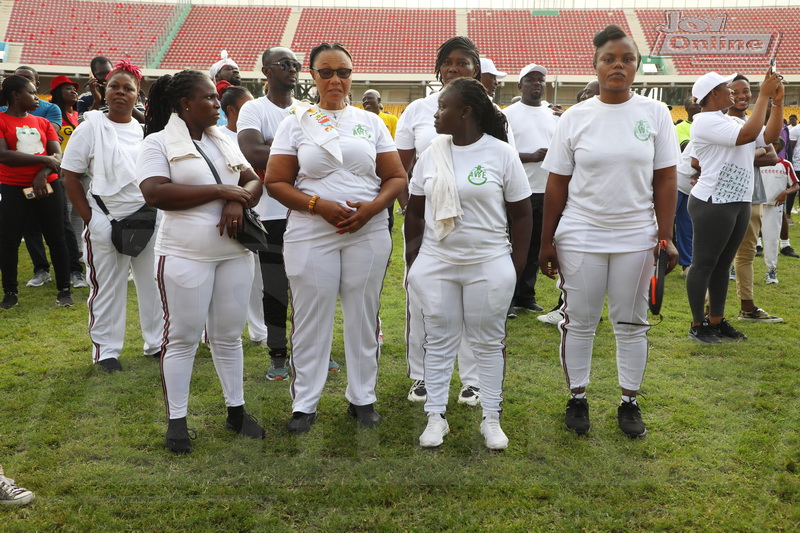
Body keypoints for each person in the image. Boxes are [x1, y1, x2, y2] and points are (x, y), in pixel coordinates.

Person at [539, 25, 679, 438]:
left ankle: (629, 402)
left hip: (637, 234)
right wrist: (547, 240)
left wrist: (665, 236)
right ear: (596, 65)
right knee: (579, 320)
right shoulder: (575, 118)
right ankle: (577, 396)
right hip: (581, 232)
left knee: (631, 321)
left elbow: (666, 180)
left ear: (637, 66)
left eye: (627, 59)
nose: (618, 65)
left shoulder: (655, 114)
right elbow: (557, 183)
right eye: (609, 59)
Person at [265, 43, 406, 434]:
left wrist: (372, 209)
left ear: (351, 76)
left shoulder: (371, 122)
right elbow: (275, 181)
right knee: (311, 318)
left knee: (363, 316)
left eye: (342, 72)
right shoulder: (296, 121)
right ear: (312, 76)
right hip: (312, 231)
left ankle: (362, 398)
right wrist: (318, 205)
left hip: (367, 230)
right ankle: (305, 403)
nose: (335, 79)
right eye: (326, 72)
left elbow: (396, 177)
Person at [137, 70, 266, 453]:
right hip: (185, 254)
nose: (216, 103)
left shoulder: (224, 138)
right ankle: (177, 422)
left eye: (215, 97)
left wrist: (234, 198)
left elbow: (253, 180)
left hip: (234, 254)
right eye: (209, 97)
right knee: (183, 339)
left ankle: (236, 411)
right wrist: (219, 190)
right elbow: (155, 192)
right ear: (184, 105)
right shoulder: (157, 143)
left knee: (228, 337)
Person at [405, 77, 532, 450]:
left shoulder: (500, 153)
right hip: (438, 262)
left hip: (488, 263)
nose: (435, 113)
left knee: (488, 343)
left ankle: (491, 419)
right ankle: (435, 418)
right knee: (439, 340)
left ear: (465, 112)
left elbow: (522, 215)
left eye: (443, 106)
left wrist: (516, 263)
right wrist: (416, 258)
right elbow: (414, 212)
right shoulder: (431, 152)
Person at [395, 36, 485, 407]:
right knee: (422, 299)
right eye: (447, 62)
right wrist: (410, 212)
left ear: (475, 69)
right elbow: (399, 170)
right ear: (438, 68)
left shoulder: (491, 112)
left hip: (477, 222)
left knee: (473, 302)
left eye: (463, 62)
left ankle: (473, 379)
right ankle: (421, 375)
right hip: (425, 222)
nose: (454, 67)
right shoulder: (417, 111)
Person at [62, 60, 164, 373]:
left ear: (138, 95)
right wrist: (92, 219)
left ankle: (157, 343)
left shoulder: (144, 130)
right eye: (114, 87)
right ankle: (106, 351)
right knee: (107, 286)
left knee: (154, 283)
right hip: (106, 218)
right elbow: (69, 176)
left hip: (145, 218)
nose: (120, 92)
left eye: (128, 88)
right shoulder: (90, 127)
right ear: (105, 91)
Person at [685, 67, 783, 344]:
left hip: (738, 200)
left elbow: (769, 136)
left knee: (722, 264)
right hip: (713, 201)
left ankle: (716, 320)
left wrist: (777, 101)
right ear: (713, 94)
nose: (731, 91)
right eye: (726, 88)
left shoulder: (731, 121)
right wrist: (763, 96)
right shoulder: (704, 121)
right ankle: (697, 324)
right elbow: (748, 137)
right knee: (704, 263)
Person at [238, 47, 309, 382]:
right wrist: (300, 153)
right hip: (271, 213)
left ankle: (312, 353)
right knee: (276, 287)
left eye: (296, 64)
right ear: (266, 71)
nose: (292, 69)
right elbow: (251, 151)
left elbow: (328, 154)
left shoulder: (308, 110)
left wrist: (276, 150)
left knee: (312, 285)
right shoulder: (254, 109)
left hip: (308, 210)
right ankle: (278, 354)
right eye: (285, 64)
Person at [0, 75, 72, 309]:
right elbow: (4, 156)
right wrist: (44, 160)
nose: (37, 98)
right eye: (31, 93)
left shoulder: (42, 123)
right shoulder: (1, 120)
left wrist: (41, 175)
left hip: (46, 185)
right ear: (15, 95)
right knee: (9, 240)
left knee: (56, 237)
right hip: (12, 188)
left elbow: (58, 156)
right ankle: (10, 292)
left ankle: (64, 290)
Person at [502, 63, 559, 315]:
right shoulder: (508, 114)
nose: (537, 83)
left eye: (541, 80)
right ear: (520, 85)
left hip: (547, 190)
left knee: (537, 245)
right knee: (514, 244)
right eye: (531, 79)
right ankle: (508, 297)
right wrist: (530, 155)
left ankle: (526, 295)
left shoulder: (553, 115)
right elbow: (500, 152)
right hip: (518, 190)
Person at [727, 75, 783, 325]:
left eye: (746, 90)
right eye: (734, 91)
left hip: (753, 195)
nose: (742, 95)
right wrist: (754, 151)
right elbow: (716, 160)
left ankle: (747, 306)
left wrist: (746, 152)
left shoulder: (754, 120)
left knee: (747, 254)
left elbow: (773, 156)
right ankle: (709, 311)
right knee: (719, 256)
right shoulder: (719, 121)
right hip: (726, 197)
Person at [759, 142, 798, 284]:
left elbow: (796, 184)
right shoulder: (757, 161)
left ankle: (771, 271)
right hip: (755, 204)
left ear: (775, 147)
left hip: (774, 207)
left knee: (771, 240)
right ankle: (734, 268)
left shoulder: (785, 164)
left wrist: (785, 192)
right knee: (744, 240)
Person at [78, 56, 146, 124]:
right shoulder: (84, 99)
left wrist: (127, 104)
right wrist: (96, 101)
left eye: (108, 73)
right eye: (100, 74)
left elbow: (145, 121)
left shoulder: (130, 95)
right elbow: (82, 125)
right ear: (93, 76)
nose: (106, 77)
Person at [210, 51, 241, 128]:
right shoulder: (210, 98)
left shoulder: (242, 96)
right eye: (229, 69)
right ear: (217, 76)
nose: (235, 71)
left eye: (236, 69)